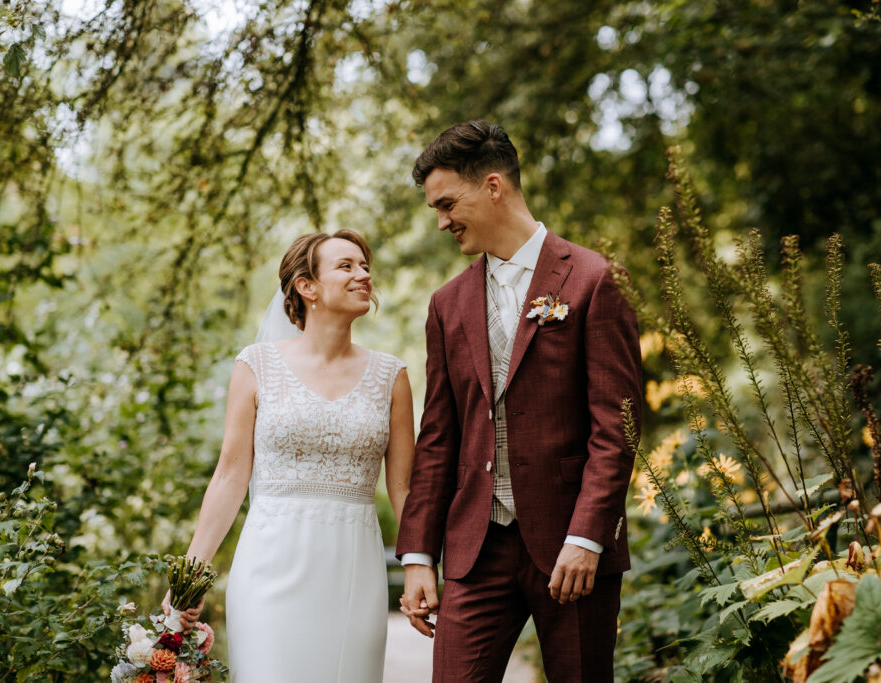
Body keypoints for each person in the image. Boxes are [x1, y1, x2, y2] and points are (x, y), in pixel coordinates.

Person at [396, 121, 642, 682]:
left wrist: (587, 537)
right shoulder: (447, 304)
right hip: (475, 550)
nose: (441, 221)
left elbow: (616, 429)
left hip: (571, 547)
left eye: (447, 203)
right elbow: (439, 437)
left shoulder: (594, 279)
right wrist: (417, 557)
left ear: (492, 186)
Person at [165, 230, 415, 682]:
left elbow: (403, 487)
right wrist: (191, 577)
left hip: (353, 570)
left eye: (364, 266)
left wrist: (419, 567)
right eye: (347, 266)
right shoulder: (256, 365)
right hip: (269, 565)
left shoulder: (390, 375)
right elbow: (229, 476)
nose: (364, 275)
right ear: (307, 286)